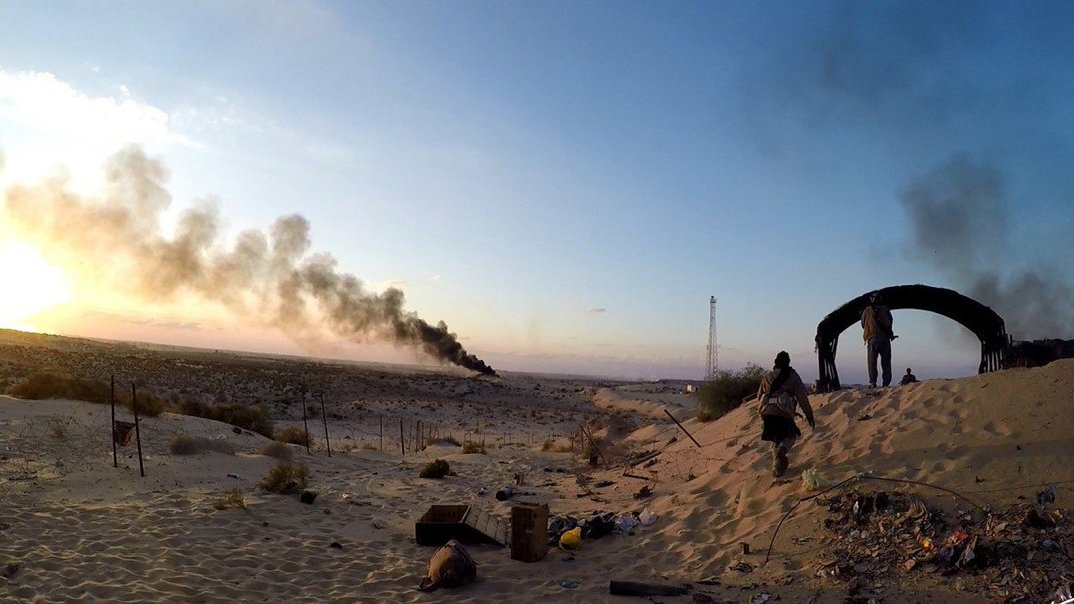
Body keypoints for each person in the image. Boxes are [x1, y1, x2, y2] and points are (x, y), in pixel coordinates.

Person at [756, 351, 815, 477]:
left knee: (775, 439)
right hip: (784, 414)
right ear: (788, 362)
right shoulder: (793, 376)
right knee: (790, 436)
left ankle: (777, 467)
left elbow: (759, 396)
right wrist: (809, 415)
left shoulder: (767, 377)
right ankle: (781, 453)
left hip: (767, 414)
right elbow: (802, 398)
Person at [861, 292, 894, 387]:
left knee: (872, 362)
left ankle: (873, 382)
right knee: (886, 363)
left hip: (872, 338)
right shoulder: (885, 309)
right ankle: (886, 384)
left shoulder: (866, 310)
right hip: (885, 339)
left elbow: (863, 325)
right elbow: (890, 322)